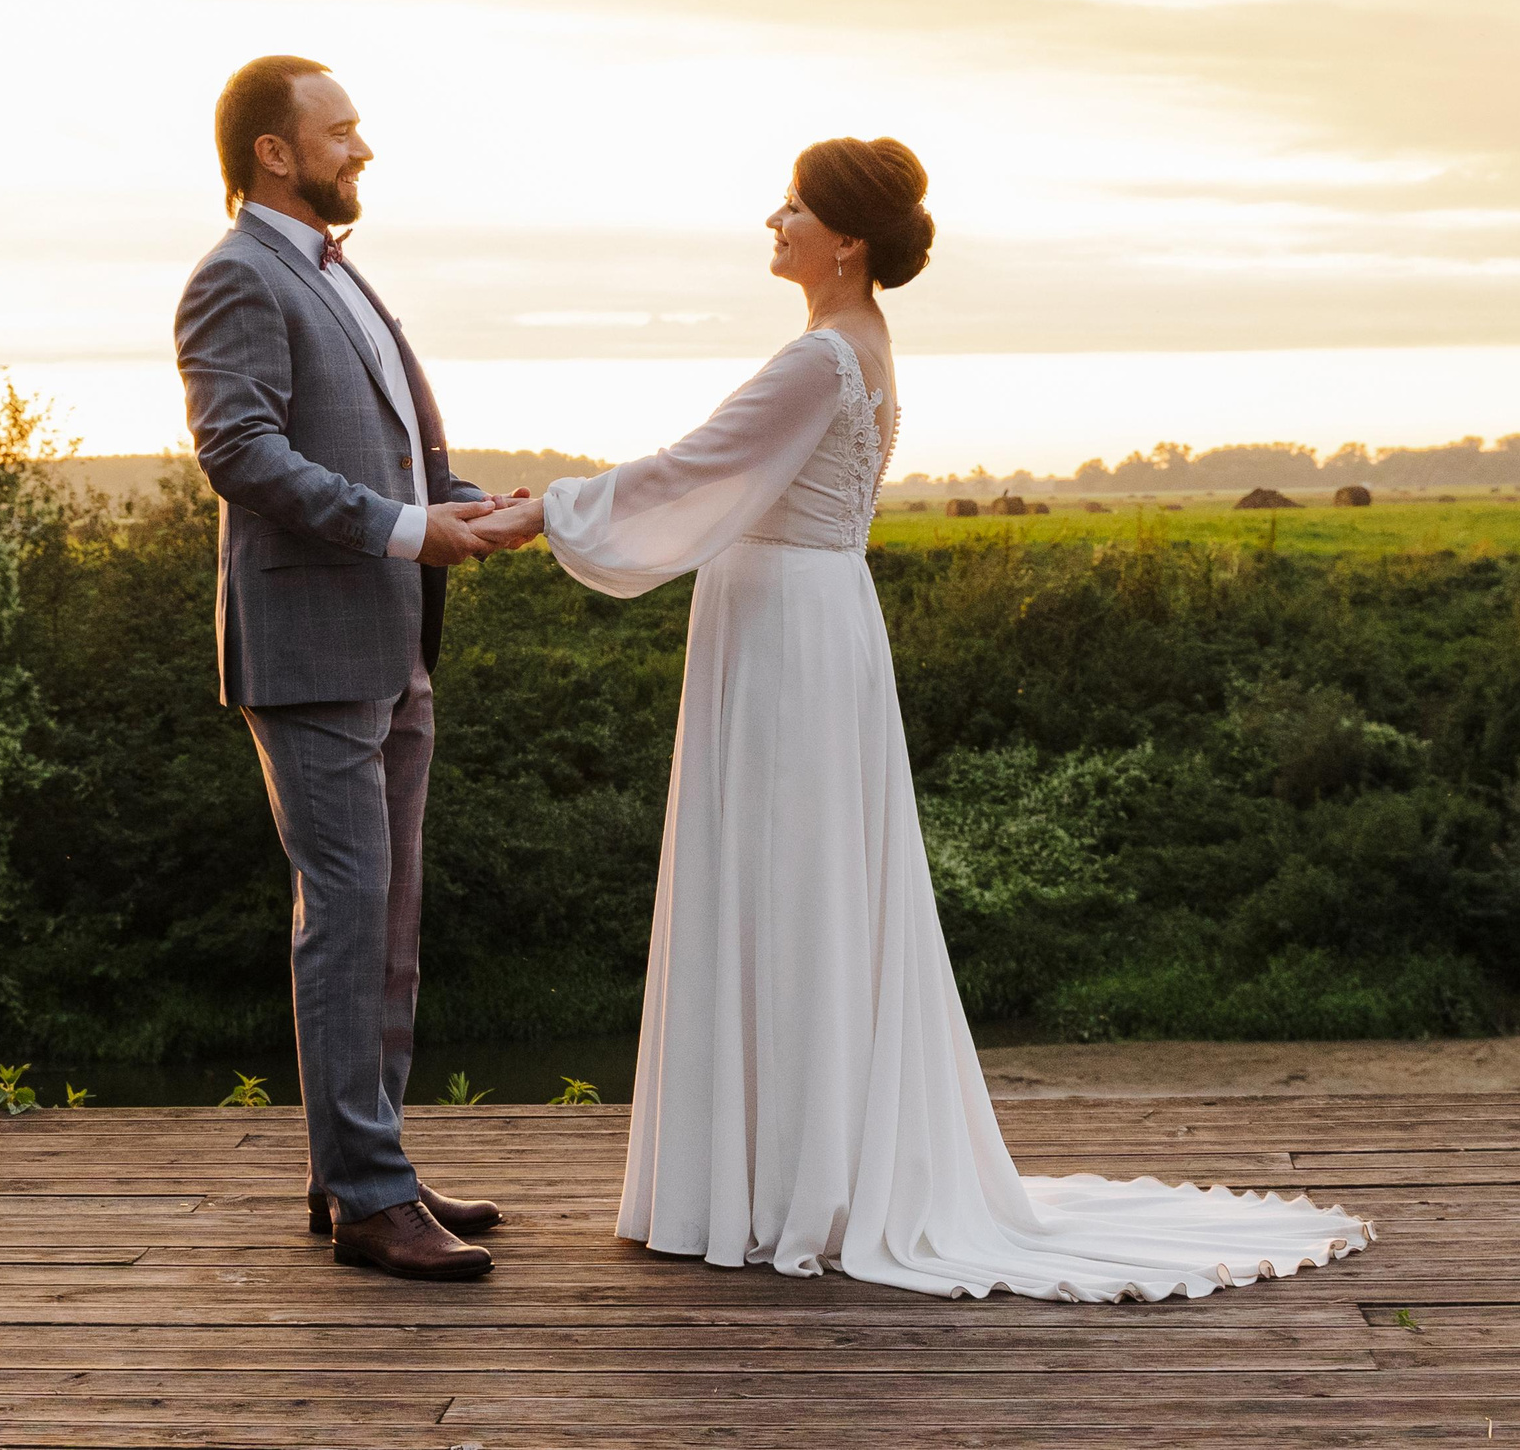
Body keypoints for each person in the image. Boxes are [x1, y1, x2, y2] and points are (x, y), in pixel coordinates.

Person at [473, 138, 1373, 1300]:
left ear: (843, 240)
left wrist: (548, 510)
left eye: (790, 208)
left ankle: (778, 1182)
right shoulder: (858, 347)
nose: (772, 220)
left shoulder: (817, 358)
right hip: (809, 618)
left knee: (788, 878)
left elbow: (694, 465)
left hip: (790, 634)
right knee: (803, 881)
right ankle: (784, 1166)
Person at [173, 55, 532, 1282]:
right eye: (342, 131)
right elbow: (240, 452)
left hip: (391, 642)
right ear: (276, 151)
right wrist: (404, 529)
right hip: (313, 654)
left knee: (389, 929)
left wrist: (471, 509)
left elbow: (389, 458)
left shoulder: (336, 272)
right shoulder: (235, 276)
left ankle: (361, 1171)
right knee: (344, 925)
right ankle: (372, 1202)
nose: (361, 147)